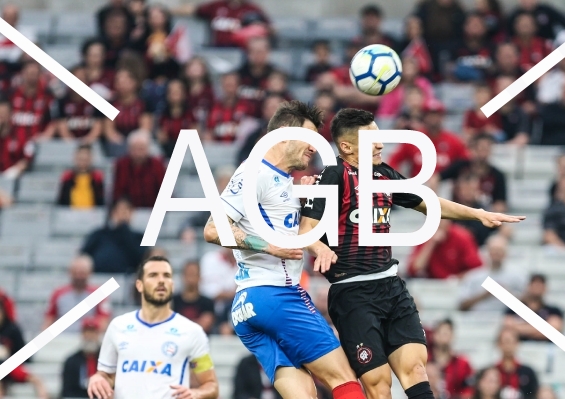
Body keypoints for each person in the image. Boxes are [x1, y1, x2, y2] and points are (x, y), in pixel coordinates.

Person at [299, 108, 525, 399]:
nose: (380, 144)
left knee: (416, 370)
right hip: (352, 293)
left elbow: (429, 202)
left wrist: (477, 213)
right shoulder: (332, 176)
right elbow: (307, 228)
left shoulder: (385, 175)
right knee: (379, 384)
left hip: (391, 287)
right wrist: (319, 248)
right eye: (372, 138)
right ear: (346, 146)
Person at [203, 100, 367, 399]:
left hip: (248, 306)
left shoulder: (280, 180)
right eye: (309, 137)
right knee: (345, 379)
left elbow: (292, 230)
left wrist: (304, 202)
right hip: (276, 294)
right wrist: (269, 246)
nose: (315, 147)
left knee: (305, 394)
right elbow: (213, 228)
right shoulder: (255, 172)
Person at [87, 256, 219, 399]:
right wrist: (98, 378)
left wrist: (196, 393)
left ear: (172, 285)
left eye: (166, 276)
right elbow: (107, 375)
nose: (161, 280)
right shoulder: (118, 326)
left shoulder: (192, 332)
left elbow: (211, 385)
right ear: (139, 285)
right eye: (153, 275)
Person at [42, 255, 111, 333]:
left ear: (89, 272)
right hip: (62, 338)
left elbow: (104, 321)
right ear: (70, 272)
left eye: (82, 273)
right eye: (75, 273)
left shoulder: (99, 294)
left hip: (88, 339)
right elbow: (49, 319)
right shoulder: (58, 293)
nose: (79, 277)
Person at [459, 235, 526, 311]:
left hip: (507, 320)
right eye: (494, 250)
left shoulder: (517, 276)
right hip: (477, 318)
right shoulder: (473, 276)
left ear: (506, 253)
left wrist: (505, 294)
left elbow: (528, 303)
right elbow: (462, 306)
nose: (496, 254)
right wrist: (485, 295)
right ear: (488, 252)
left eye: (500, 250)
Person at [503, 274, 564, 341]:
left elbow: (554, 330)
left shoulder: (553, 311)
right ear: (528, 286)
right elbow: (508, 325)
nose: (537, 288)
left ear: (545, 288)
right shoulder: (513, 309)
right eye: (535, 285)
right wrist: (542, 330)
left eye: (540, 285)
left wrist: (520, 329)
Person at [60, 318, 102, 398]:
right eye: (87, 332)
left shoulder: (107, 359)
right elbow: (67, 390)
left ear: (98, 334)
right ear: (82, 334)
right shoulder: (71, 361)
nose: (90, 336)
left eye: (93, 332)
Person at [171, 260, 216, 334]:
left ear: (199, 277)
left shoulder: (207, 302)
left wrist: (180, 325)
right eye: (188, 274)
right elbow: (170, 325)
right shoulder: (173, 301)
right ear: (183, 276)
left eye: (193, 274)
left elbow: (205, 325)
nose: (190, 278)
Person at [495, 327, 539, 399]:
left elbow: (534, 394)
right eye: (505, 341)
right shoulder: (492, 372)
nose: (508, 346)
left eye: (510, 341)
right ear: (498, 344)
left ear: (517, 344)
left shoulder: (528, 372)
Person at [57, 144, 105, 208]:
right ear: (75, 158)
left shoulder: (97, 176)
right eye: (81, 158)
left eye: (85, 159)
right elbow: (62, 199)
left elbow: (100, 199)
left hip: (92, 214)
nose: (83, 161)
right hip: (70, 214)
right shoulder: (67, 176)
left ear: (91, 159)